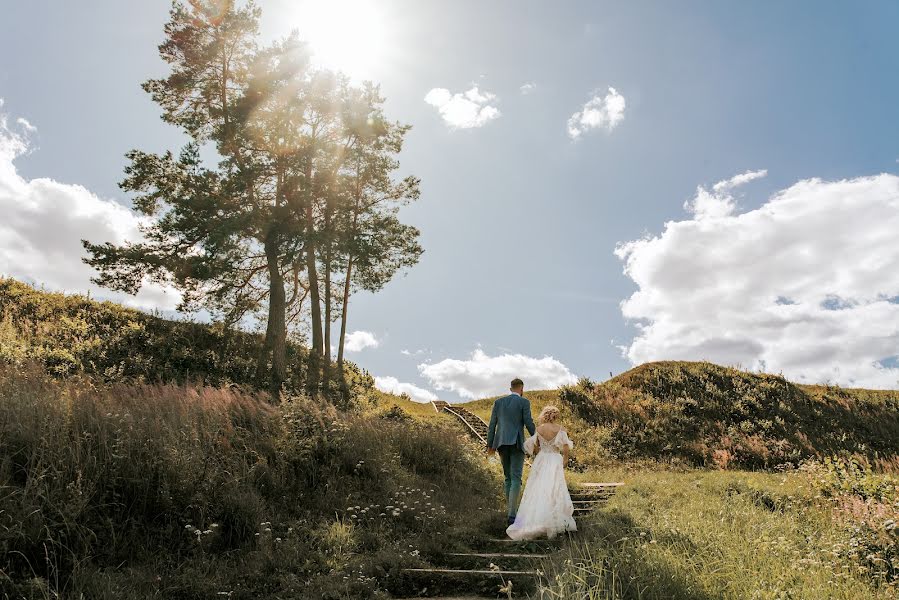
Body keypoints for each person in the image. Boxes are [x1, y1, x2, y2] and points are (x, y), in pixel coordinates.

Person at [505, 405, 577, 540]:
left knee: (538, 489)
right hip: (555, 459)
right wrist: (565, 461)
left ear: (544, 415)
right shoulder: (560, 429)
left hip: (542, 459)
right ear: (555, 416)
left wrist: (542, 453)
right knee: (555, 488)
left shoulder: (539, 430)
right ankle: (553, 520)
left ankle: (537, 521)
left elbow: (533, 447)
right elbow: (566, 447)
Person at [486, 378, 536, 526]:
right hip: (516, 443)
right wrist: (537, 439)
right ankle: (512, 515)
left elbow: (492, 425)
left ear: (510, 389)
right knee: (515, 478)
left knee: (507, 478)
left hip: (501, 443)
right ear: (521, 389)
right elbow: (528, 423)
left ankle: (511, 511)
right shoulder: (524, 402)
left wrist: (490, 445)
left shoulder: (498, 403)